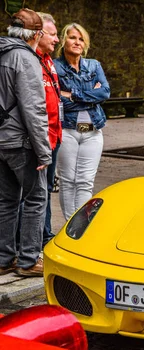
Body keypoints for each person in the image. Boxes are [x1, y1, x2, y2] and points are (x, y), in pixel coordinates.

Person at [0, 9, 51, 277]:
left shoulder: (2, 53)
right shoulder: (25, 58)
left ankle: (3, 257)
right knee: (35, 197)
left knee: (6, 200)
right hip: (20, 141)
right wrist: (44, 153)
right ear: (36, 34)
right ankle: (29, 260)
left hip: (1, 141)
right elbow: (34, 109)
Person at [54, 23, 110, 221]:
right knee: (68, 181)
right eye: (72, 37)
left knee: (86, 181)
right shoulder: (55, 66)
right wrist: (90, 97)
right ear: (63, 40)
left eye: (80, 39)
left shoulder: (94, 65)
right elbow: (55, 100)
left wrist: (72, 95)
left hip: (93, 132)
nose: (76, 42)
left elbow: (104, 92)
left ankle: (81, 224)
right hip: (67, 130)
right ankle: (70, 225)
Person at [36, 12, 62, 247]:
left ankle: (45, 235)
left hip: (54, 136)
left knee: (45, 192)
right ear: (38, 33)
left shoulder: (47, 60)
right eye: (52, 34)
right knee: (35, 194)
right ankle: (32, 242)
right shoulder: (30, 60)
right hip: (39, 139)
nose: (57, 39)